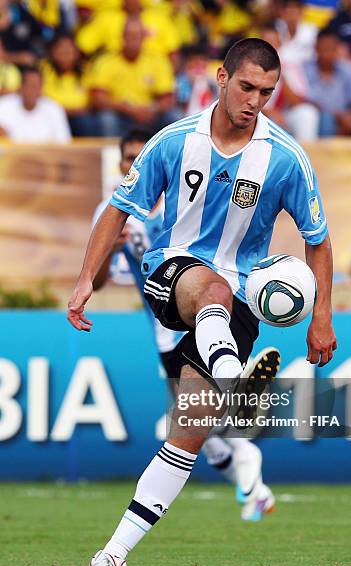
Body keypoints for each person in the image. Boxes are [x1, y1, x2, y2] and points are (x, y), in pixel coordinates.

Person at [67, 38, 336, 566]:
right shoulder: (173, 142)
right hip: (174, 275)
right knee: (210, 287)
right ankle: (233, 375)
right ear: (220, 77)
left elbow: (319, 239)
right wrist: (82, 281)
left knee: (188, 433)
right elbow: (118, 210)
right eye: (246, 87)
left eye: (266, 92)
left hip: (237, 303)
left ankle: (111, 556)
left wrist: (322, 315)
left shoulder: (285, 158)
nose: (254, 100)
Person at [93, 127, 278, 522]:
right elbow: (98, 281)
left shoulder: (193, 199)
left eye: (140, 156)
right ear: (124, 164)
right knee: (198, 433)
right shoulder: (119, 212)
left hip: (204, 316)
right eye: (128, 159)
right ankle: (254, 481)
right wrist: (109, 249)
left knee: (188, 421)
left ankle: (244, 445)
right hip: (164, 329)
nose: (136, 164)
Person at [87, 17, 175, 136]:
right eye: (129, 36)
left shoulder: (158, 61)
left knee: (174, 116)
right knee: (107, 119)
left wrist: (151, 109)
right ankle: (113, 154)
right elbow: (97, 98)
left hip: (150, 114)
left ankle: (170, 154)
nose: (133, 40)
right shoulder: (106, 62)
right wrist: (127, 109)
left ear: (144, 38)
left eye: (137, 36)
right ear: (122, 37)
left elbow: (167, 98)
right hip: (120, 114)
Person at [0, 65, 71, 142]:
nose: (33, 91)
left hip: (47, 153)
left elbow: (64, 142)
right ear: (21, 87)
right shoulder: (3, 106)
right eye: (29, 85)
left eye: (37, 86)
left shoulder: (54, 109)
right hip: (12, 153)